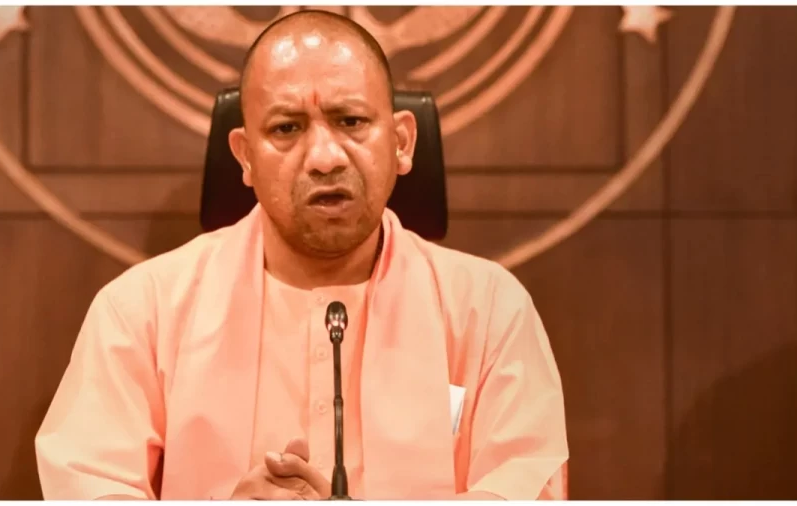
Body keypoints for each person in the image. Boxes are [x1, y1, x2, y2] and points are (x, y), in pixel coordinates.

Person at [35, 9, 568, 501]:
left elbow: (525, 486)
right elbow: (88, 485)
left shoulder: (488, 311)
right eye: (286, 128)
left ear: (403, 142)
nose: (324, 157)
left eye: (350, 121)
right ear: (245, 157)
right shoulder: (142, 311)